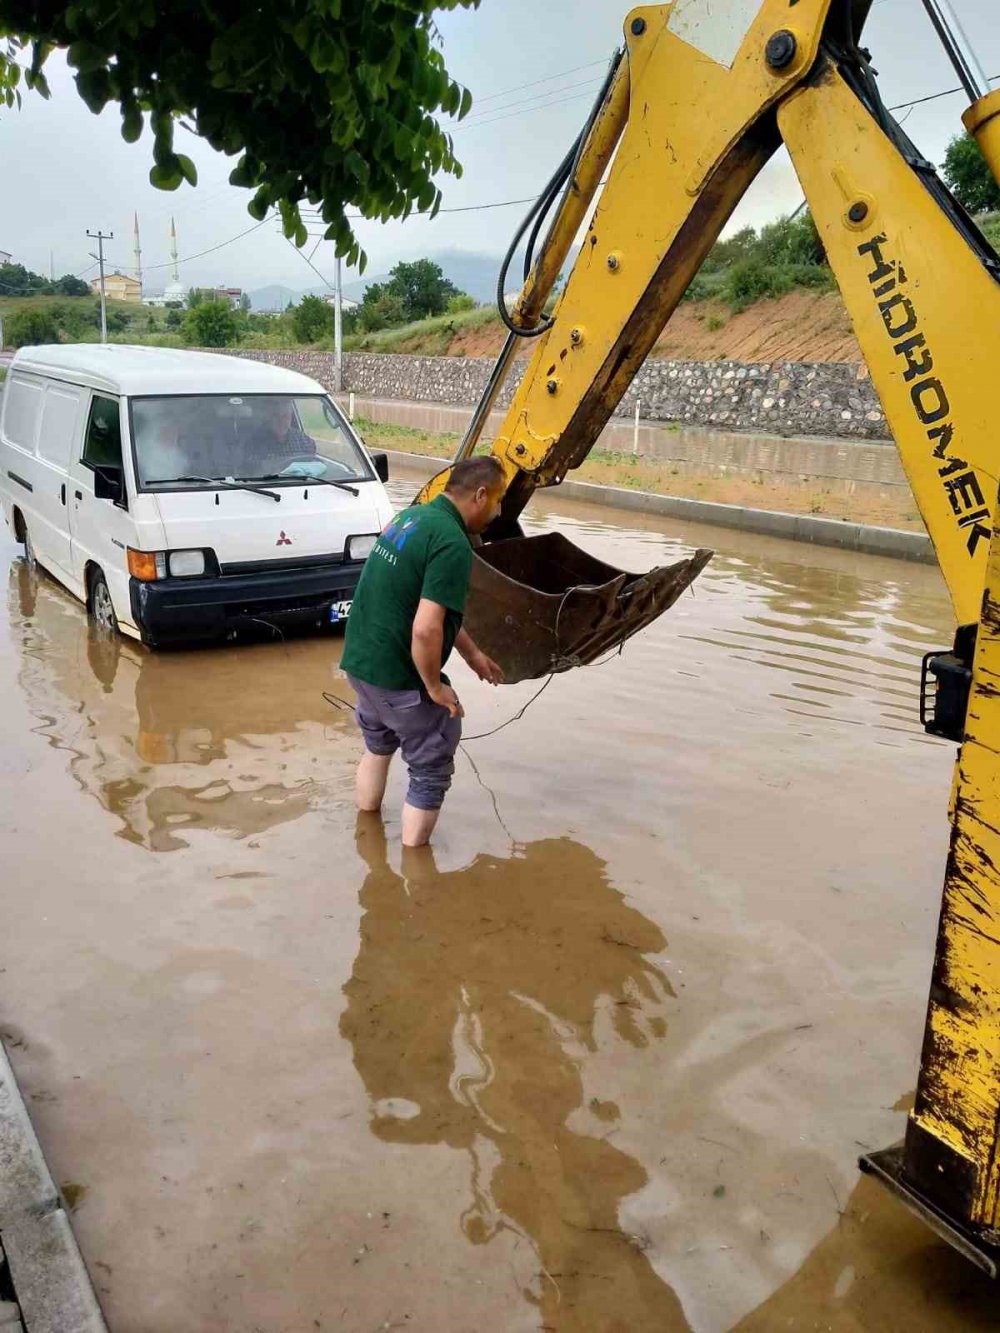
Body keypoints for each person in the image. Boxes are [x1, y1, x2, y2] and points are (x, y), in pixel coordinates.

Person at [341, 456, 507, 847]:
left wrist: (473, 655)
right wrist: (434, 688)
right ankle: (417, 879)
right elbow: (427, 627)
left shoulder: (409, 518)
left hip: (361, 666)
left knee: (377, 746)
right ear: (480, 495)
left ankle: (368, 841)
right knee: (433, 758)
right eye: (498, 500)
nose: (499, 511)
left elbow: (428, 609)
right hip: (398, 679)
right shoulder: (452, 543)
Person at [242, 397, 316, 476]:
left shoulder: (303, 440)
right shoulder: (254, 442)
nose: (281, 421)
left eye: (285, 416)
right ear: (269, 418)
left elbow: (312, 464)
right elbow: (249, 471)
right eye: (276, 416)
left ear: (291, 417)